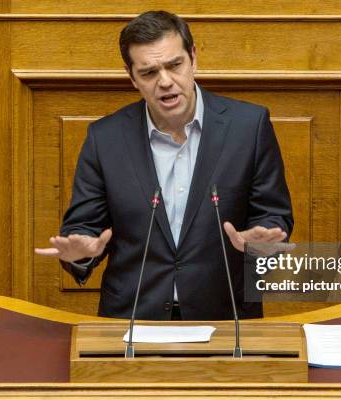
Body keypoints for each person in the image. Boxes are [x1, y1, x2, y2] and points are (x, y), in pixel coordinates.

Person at [35, 10, 293, 320]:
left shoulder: (249, 126)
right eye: (149, 73)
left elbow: (273, 213)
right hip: (132, 321)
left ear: (193, 58)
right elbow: (84, 229)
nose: (165, 82)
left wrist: (261, 239)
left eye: (174, 65)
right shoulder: (105, 138)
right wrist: (80, 254)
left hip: (226, 318)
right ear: (132, 77)